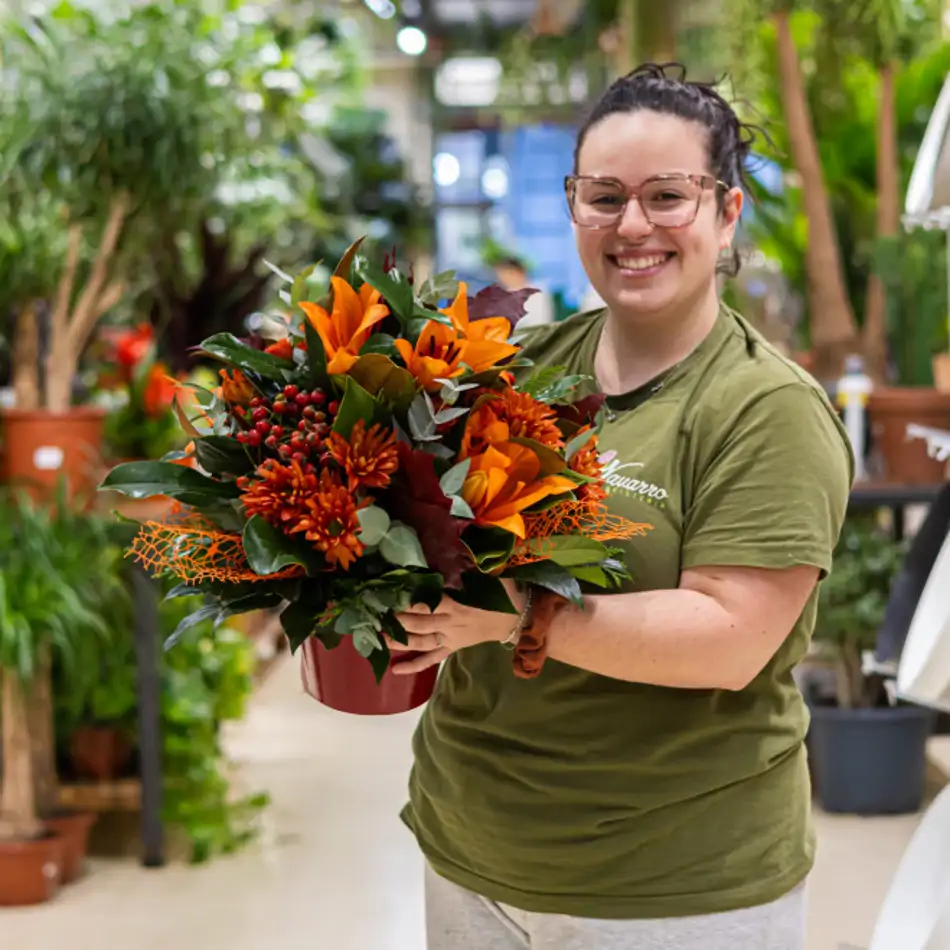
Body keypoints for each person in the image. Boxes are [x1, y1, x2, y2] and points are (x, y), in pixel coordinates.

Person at [390, 63, 853, 950]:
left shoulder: (765, 408)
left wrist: (513, 618)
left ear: (725, 213)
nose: (632, 225)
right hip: (471, 850)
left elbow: (730, 638)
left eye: (667, 196)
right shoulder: (519, 370)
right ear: (573, 208)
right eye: (603, 196)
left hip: (672, 889)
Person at [492, 255, 556, 329]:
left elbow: (541, 322)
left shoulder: (537, 293)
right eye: (500, 276)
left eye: (507, 274)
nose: (503, 279)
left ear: (519, 272)